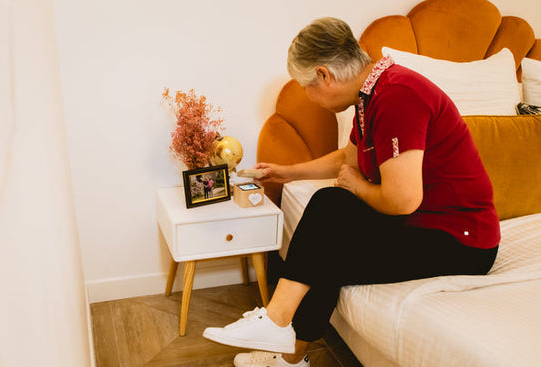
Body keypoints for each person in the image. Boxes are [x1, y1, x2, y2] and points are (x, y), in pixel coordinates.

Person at [203, 17, 500, 367]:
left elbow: (403, 199)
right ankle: (286, 345)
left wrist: (357, 186)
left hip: (461, 239)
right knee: (328, 233)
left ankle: (279, 329)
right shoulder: (372, 92)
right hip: (427, 222)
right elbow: (350, 156)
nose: (309, 97)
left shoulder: (398, 95)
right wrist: (288, 173)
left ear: (325, 75)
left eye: (306, 87)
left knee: (331, 216)